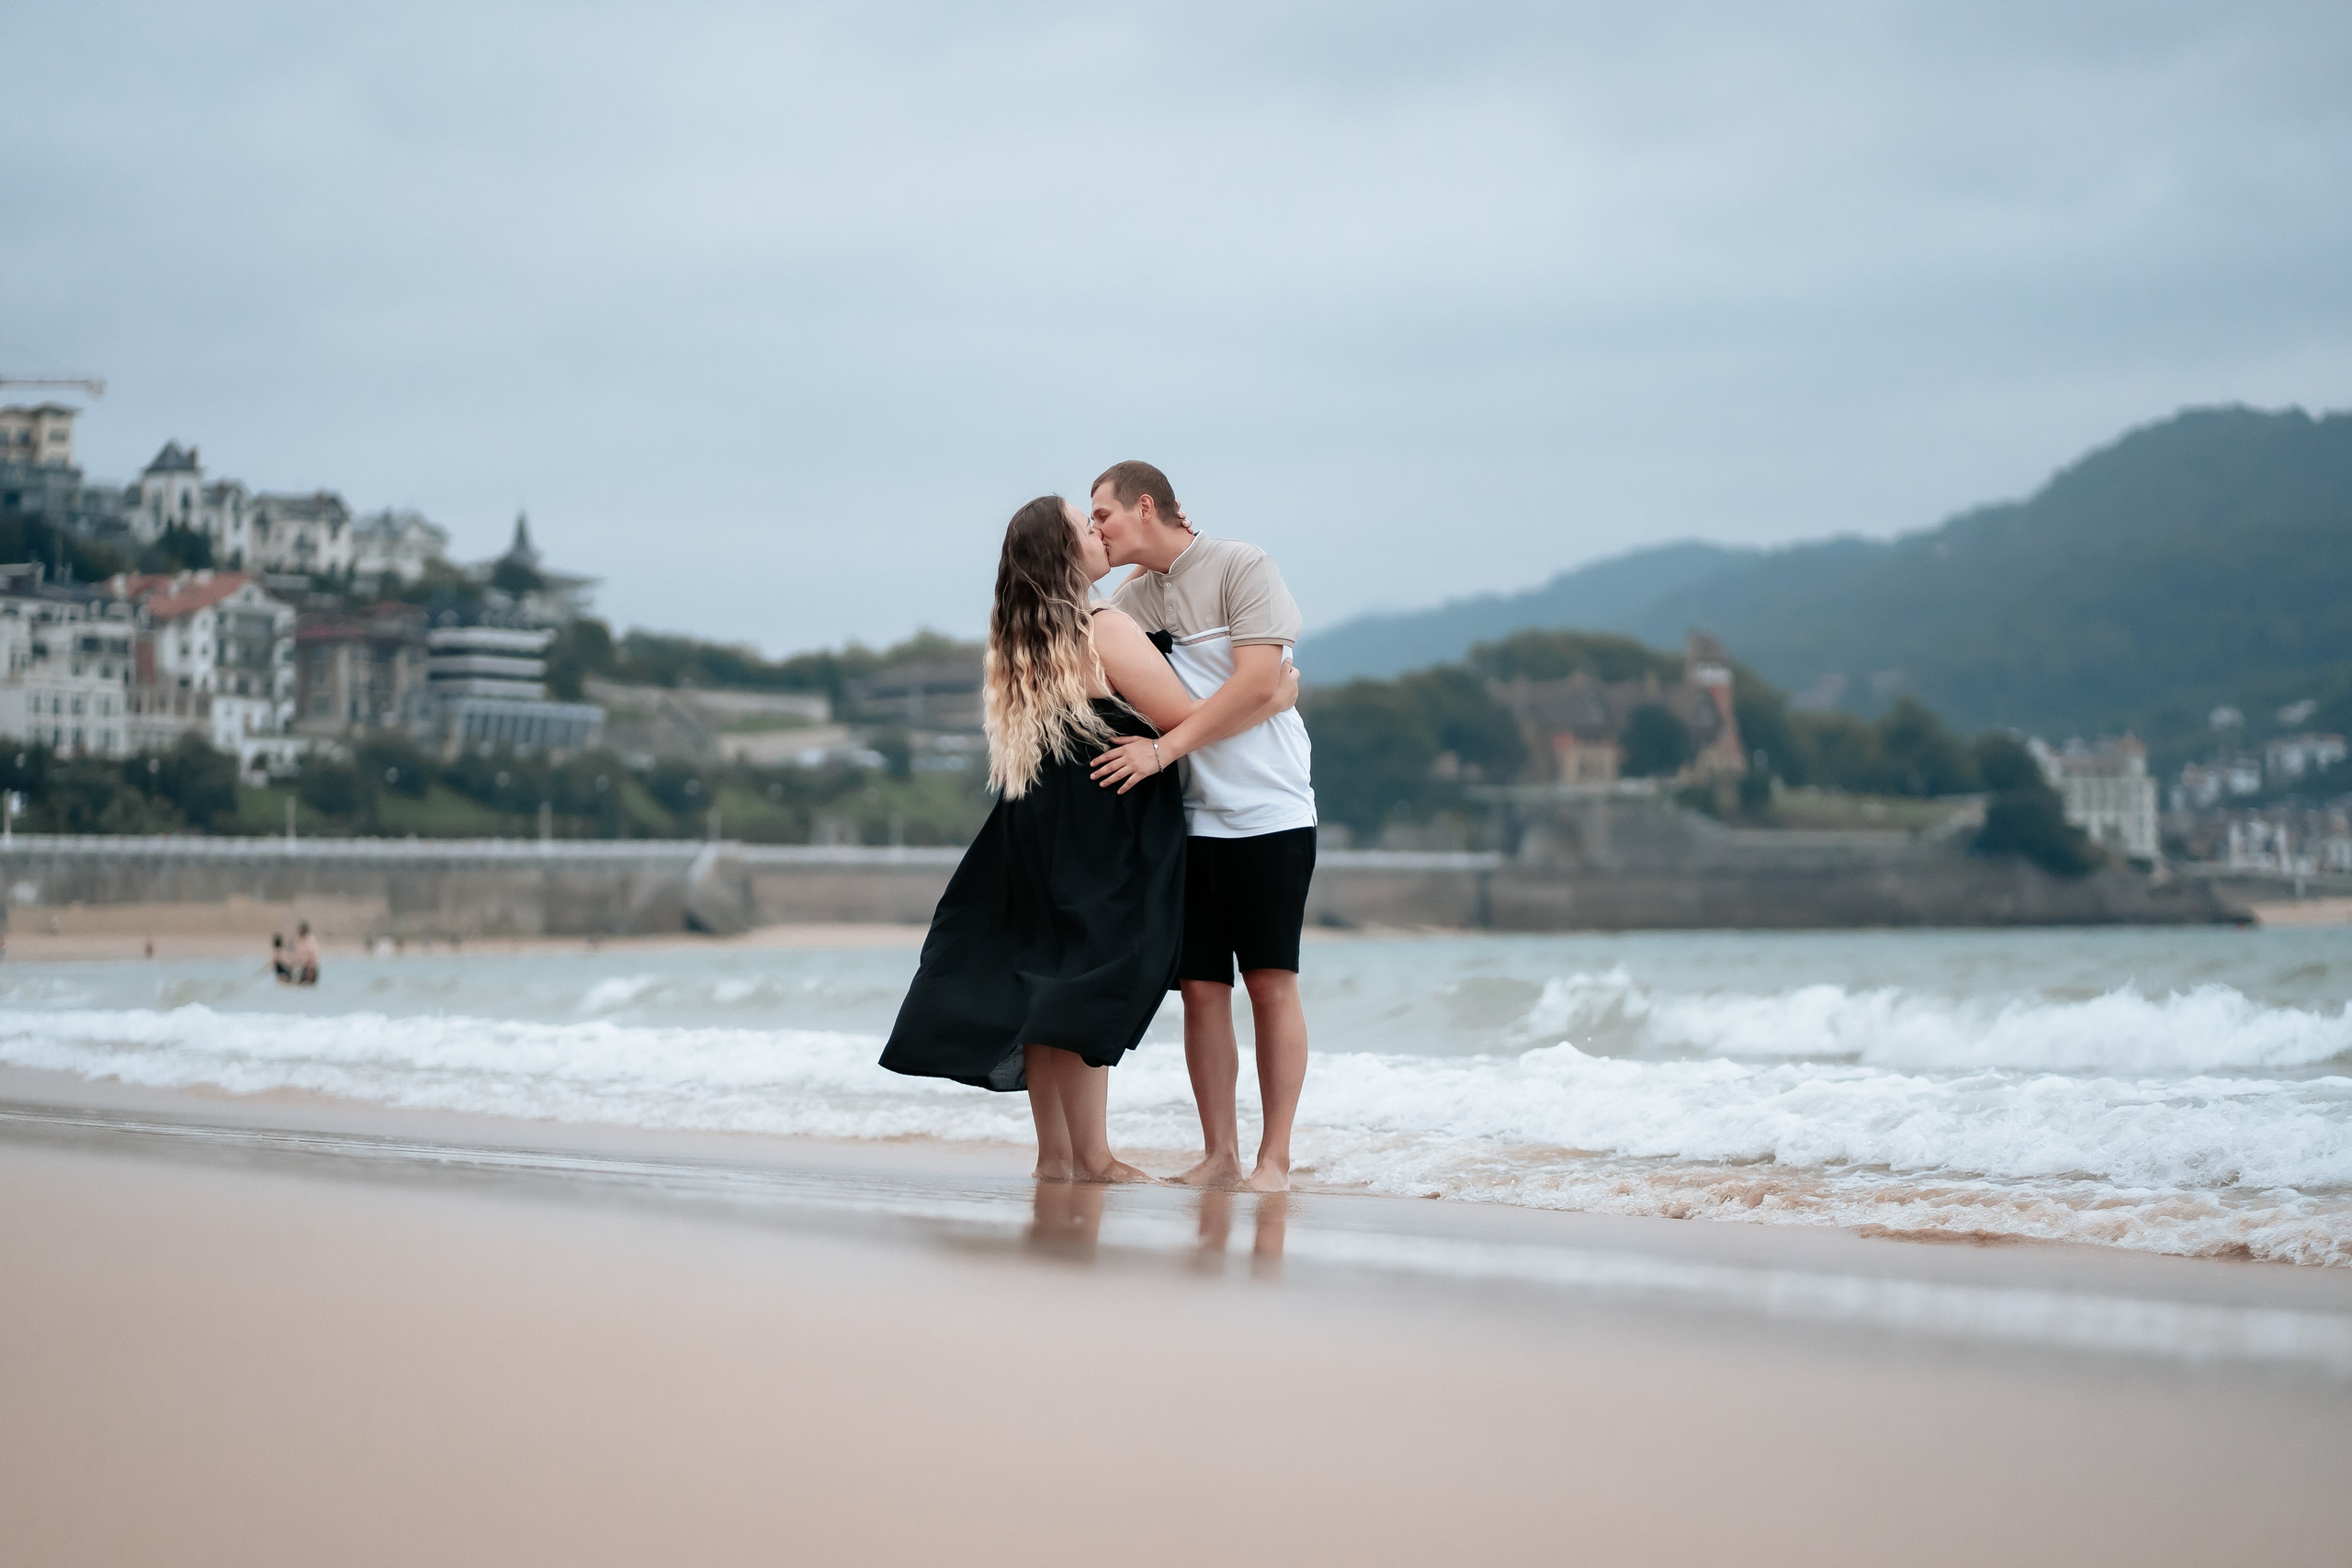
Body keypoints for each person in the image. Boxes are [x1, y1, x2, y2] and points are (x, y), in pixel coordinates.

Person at [879, 494, 1298, 1182]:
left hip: (1036, 820)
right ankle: (1096, 1158)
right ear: (1065, 551)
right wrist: (1273, 698)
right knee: (1090, 981)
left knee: (1050, 978)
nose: (1099, 530)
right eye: (1086, 524)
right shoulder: (1103, 627)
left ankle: (1057, 1157)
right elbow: (1182, 718)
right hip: (1103, 820)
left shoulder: (1026, 635)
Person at [1089, 460, 1317, 1192]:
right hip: (1185, 822)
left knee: (1271, 982)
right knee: (1201, 990)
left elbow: (1257, 680)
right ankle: (1220, 1154)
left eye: (1102, 514)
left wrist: (1165, 750)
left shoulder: (1240, 565)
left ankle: (1274, 1159)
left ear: (1144, 505)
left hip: (1269, 812)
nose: (1095, 529)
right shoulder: (1129, 602)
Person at [291, 921, 320, 986]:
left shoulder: (310, 940)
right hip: (300, 968)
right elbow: (296, 956)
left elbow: (314, 957)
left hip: (310, 968)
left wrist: (310, 967)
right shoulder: (298, 940)